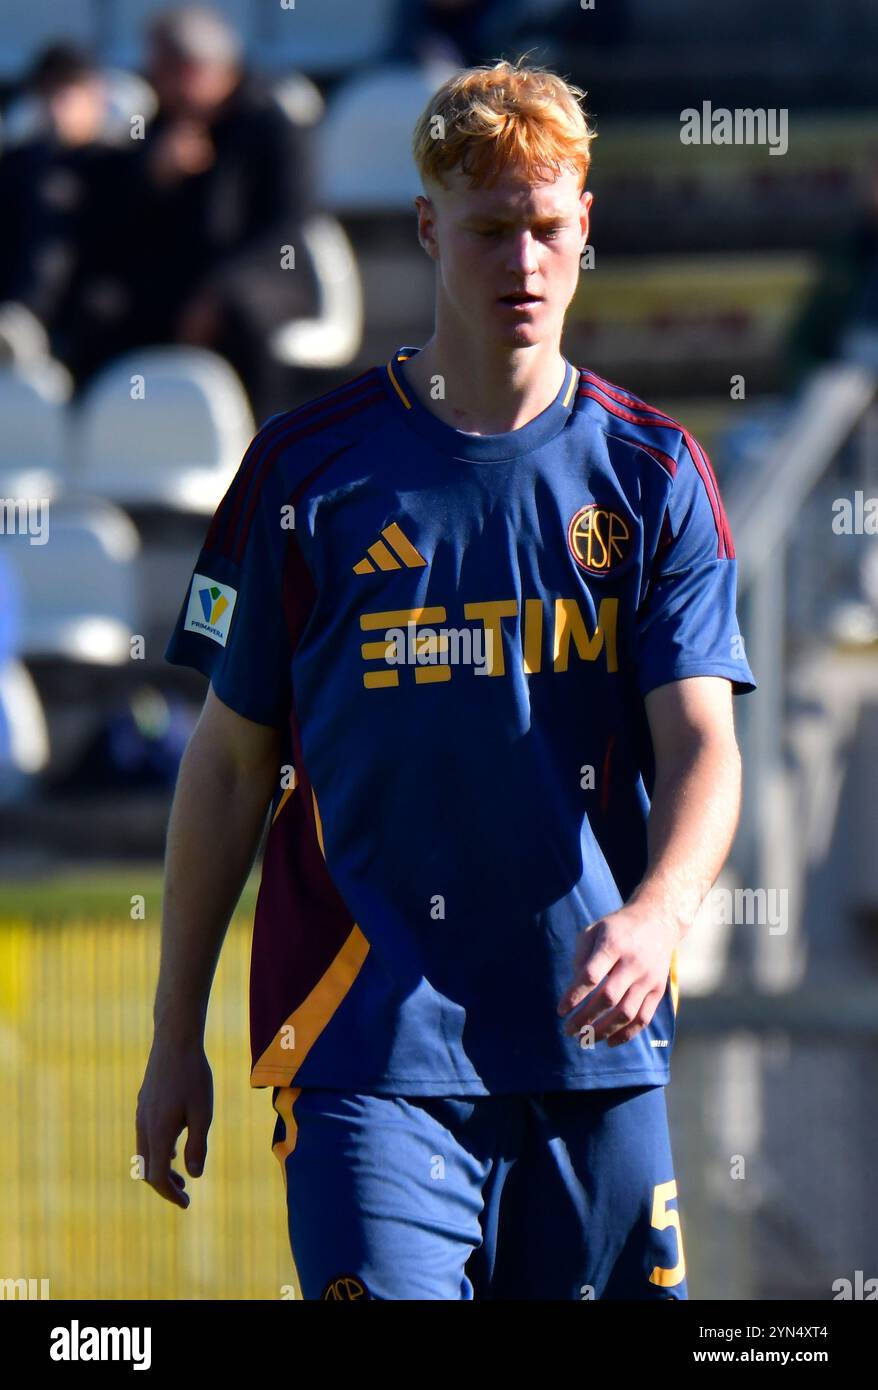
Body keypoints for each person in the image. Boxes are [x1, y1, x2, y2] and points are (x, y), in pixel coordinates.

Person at [138, 57, 756, 1300]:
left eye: (544, 229)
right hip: (366, 1052)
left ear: (586, 225)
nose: (521, 263)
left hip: (595, 1057)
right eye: (488, 231)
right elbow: (225, 767)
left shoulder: (652, 475)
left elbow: (700, 744)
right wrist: (173, 1036)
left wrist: (659, 914)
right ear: (427, 228)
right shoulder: (305, 473)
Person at [109, 4, 319, 422]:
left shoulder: (271, 124)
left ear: (195, 69)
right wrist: (153, 176)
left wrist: (217, 291)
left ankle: (263, 441)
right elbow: (117, 225)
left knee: (241, 315)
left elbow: (286, 224)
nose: (153, 81)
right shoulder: (155, 129)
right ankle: (128, 433)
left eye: (163, 70)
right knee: (105, 308)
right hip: (181, 277)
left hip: (263, 276)